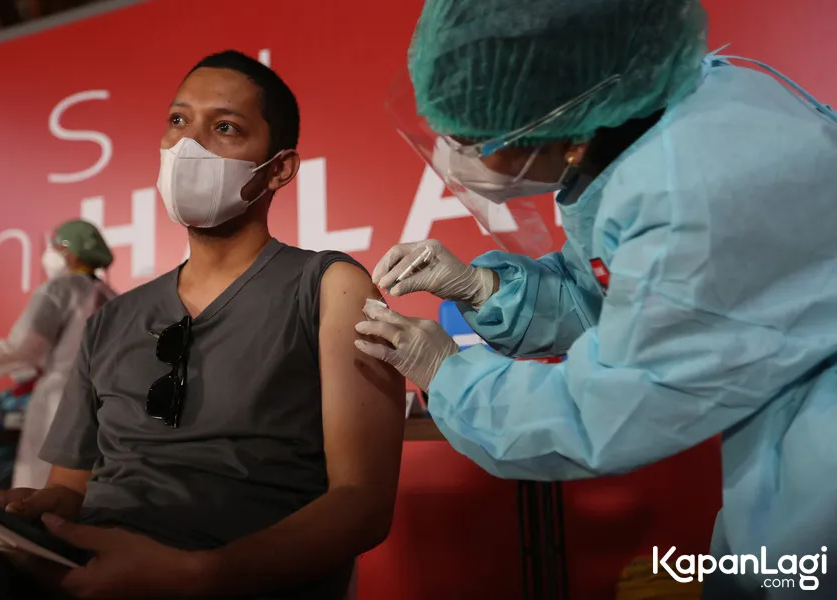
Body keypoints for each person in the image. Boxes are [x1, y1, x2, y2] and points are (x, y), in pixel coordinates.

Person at [354, 1, 837, 598]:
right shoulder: (670, 119)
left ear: (561, 114)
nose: (456, 159)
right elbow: (618, 297)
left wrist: (446, 373)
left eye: (472, 139)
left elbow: (604, 414)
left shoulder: (690, 191)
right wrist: (483, 288)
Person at [0, 49, 404, 600]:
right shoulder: (110, 320)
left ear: (279, 168)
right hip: (78, 569)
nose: (189, 145)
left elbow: (362, 504)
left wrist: (203, 575)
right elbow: (70, 491)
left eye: (225, 127)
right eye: (179, 120)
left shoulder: (331, 288)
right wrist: (23, 513)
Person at [0, 220, 116, 490]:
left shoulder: (59, 290)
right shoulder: (112, 296)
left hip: (58, 405)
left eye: (56, 245)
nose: (51, 251)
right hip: (103, 406)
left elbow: (23, 347)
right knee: (84, 491)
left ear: (71, 252)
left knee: (41, 490)